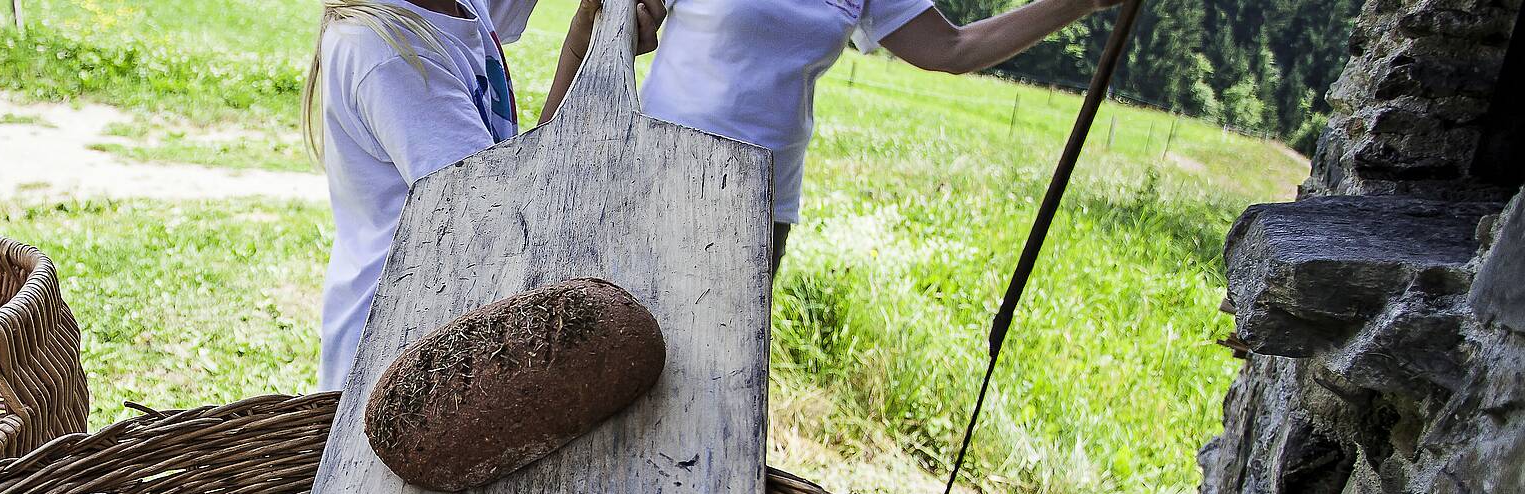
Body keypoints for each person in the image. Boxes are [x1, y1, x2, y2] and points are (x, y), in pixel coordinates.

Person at [308, 0, 666, 391]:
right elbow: (502, 226)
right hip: (397, 355)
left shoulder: (458, 6)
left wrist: (588, 39)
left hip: (459, 321)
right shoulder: (386, 53)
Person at [626, 0, 1127, 272]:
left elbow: (951, 48)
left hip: (759, 204)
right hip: (654, 171)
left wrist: (1080, 3)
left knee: (713, 379)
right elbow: (605, 25)